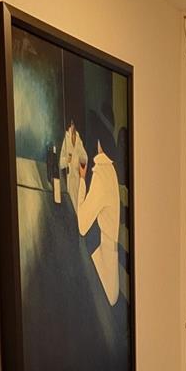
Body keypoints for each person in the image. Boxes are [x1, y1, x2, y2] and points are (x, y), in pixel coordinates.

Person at [76, 114, 120, 306]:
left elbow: (82, 225)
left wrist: (81, 180)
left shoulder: (101, 173)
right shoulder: (110, 170)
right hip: (108, 261)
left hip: (104, 276)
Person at [59, 120, 87, 214]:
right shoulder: (66, 139)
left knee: (78, 205)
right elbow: (61, 162)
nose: (72, 126)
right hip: (69, 178)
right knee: (70, 203)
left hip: (78, 178)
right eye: (71, 124)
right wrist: (67, 160)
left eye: (73, 124)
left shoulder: (79, 140)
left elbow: (85, 158)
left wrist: (80, 156)